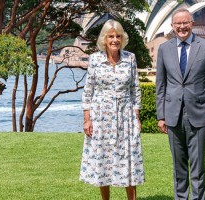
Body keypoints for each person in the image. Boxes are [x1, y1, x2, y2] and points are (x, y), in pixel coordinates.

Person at [155, 8, 205, 200]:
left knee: (198, 165)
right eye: (178, 24)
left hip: (200, 114)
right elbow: (161, 84)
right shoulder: (164, 49)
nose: (182, 27)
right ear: (172, 26)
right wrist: (161, 115)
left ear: (192, 24)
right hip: (173, 115)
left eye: (185, 23)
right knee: (178, 165)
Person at [80, 19, 144, 200]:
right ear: (104, 39)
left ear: (122, 38)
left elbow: (135, 89)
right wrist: (87, 119)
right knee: (103, 160)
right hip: (101, 117)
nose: (115, 40)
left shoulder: (130, 58)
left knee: (129, 159)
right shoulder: (95, 59)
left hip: (126, 115)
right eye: (111, 36)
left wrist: (136, 117)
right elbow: (88, 91)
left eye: (118, 36)